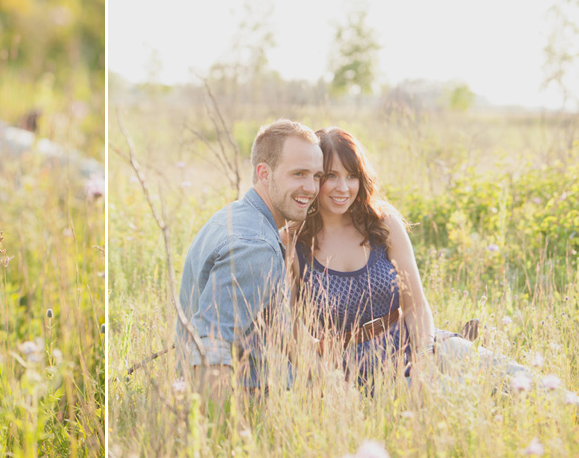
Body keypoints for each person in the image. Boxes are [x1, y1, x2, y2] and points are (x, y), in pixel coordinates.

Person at [281, 126, 528, 386]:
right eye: (332, 175)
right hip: (354, 373)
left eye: (351, 176)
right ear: (315, 177)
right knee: (457, 397)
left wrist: (424, 358)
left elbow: (415, 305)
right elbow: (291, 332)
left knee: (515, 377)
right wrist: (330, 383)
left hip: (416, 343)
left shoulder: (381, 222)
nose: (343, 188)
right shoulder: (293, 243)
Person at [176, 119, 324, 398]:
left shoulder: (236, 217)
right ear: (264, 173)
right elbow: (212, 346)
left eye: (316, 176)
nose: (311, 188)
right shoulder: (255, 245)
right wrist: (214, 433)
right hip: (248, 406)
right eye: (299, 174)